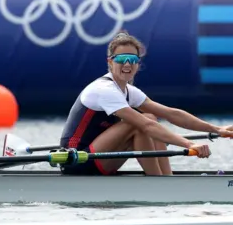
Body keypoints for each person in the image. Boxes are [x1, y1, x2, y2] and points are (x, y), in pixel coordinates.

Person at [59, 31, 233, 176]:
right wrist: (189, 145)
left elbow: (172, 114)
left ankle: (166, 181)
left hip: (99, 157)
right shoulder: (104, 89)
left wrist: (216, 129)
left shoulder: (129, 91)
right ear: (110, 62)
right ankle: (159, 184)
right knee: (139, 124)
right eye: (122, 59)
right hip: (77, 160)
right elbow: (146, 125)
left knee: (148, 117)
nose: (127, 64)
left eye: (133, 59)